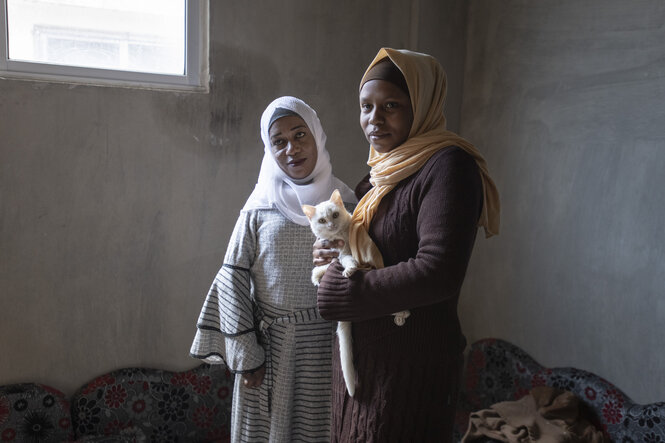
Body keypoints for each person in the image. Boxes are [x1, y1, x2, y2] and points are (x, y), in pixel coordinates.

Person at [315, 48, 501, 442]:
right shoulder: (379, 177)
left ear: (422, 104)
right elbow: (371, 251)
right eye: (366, 106)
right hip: (363, 369)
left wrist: (339, 289)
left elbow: (438, 271)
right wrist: (332, 256)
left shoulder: (448, 167)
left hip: (409, 370)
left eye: (392, 105)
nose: (374, 119)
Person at [190, 96, 357, 442]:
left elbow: (366, 269)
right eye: (278, 142)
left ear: (317, 136)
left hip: (329, 353)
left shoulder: (348, 203)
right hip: (269, 357)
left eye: (300, 135)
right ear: (269, 149)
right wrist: (248, 355)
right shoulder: (258, 207)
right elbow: (231, 279)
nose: (291, 149)